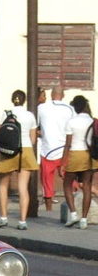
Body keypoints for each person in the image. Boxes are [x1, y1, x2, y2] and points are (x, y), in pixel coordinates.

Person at [0, 89, 39, 230]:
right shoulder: (30, 115)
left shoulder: (5, 113)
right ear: (24, 100)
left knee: (3, 184)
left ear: (12, 99)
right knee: (23, 187)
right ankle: (22, 221)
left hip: (8, 151)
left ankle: (3, 218)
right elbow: (33, 139)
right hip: (25, 150)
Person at [60, 95, 95, 229]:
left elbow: (68, 144)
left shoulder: (71, 121)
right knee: (87, 186)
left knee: (67, 184)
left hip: (74, 154)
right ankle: (84, 220)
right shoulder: (92, 120)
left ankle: (74, 214)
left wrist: (63, 162)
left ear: (75, 107)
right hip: (88, 155)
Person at [38, 86, 75, 211]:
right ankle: (75, 205)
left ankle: (49, 209)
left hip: (47, 150)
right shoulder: (70, 109)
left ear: (52, 94)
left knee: (47, 181)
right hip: (65, 149)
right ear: (63, 95)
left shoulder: (41, 108)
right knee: (70, 179)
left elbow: (37, 126)